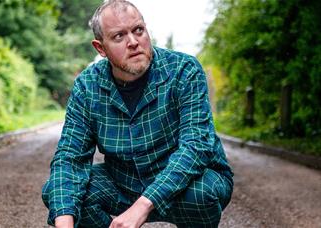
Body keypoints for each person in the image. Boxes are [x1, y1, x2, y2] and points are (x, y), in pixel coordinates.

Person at [42, 0, 233, 227]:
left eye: (138, 30)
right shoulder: (87, 86)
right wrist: (65, 223)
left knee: (203, 193)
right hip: (124, 181)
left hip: (186, 181)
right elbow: (70, 158)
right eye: (119, 36)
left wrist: (143, 205)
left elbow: (196, 147)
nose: (133, 42)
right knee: (60, 192)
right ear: (100, 48)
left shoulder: (184, 70)